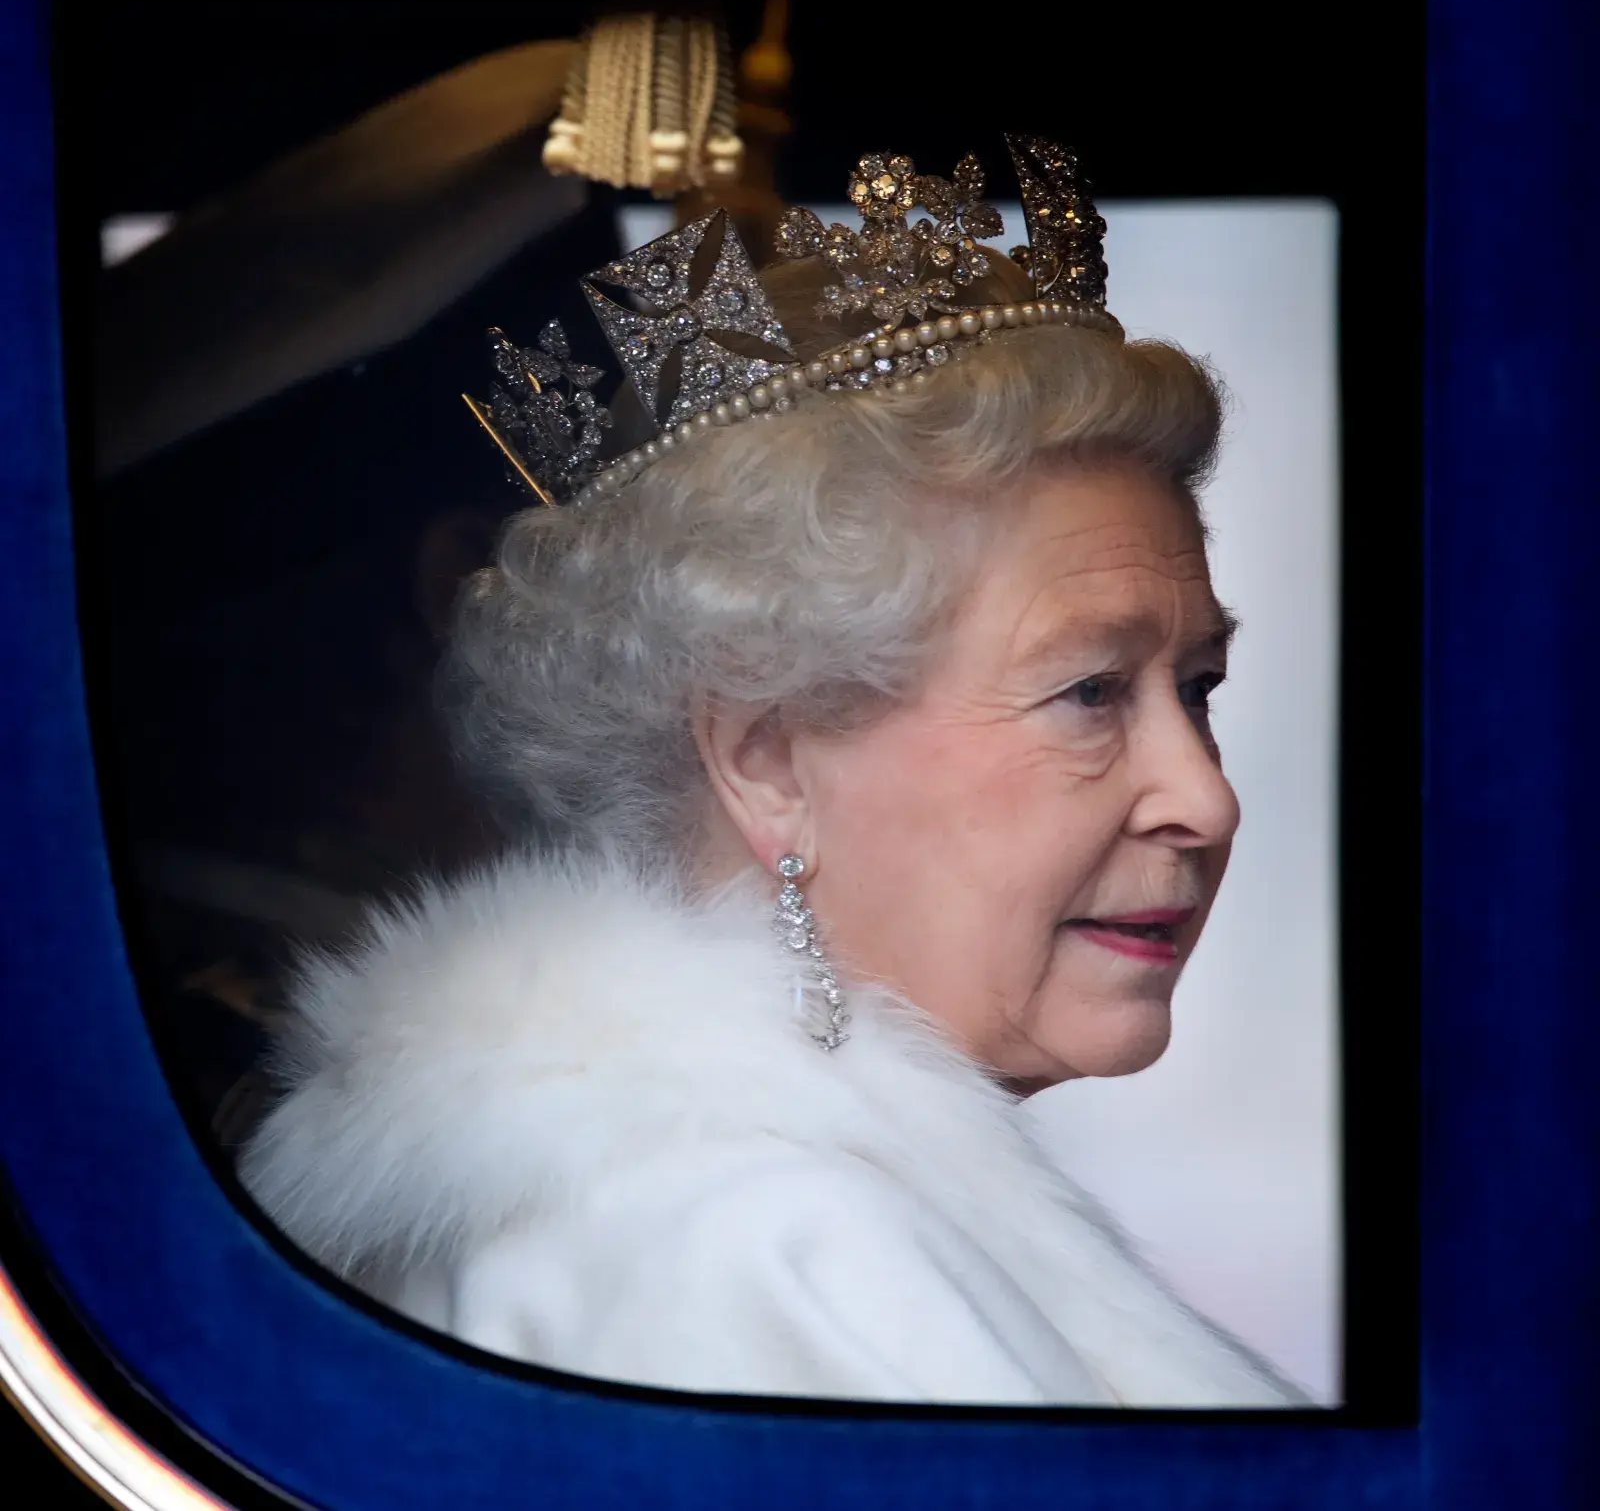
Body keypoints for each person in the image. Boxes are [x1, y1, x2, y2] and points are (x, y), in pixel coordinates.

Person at [240, 138, 1309, 1407]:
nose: (1204, 797)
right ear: (765, 758)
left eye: (1196, 689)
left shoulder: (726, 1200)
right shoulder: (753, 1250)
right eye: (1088, 692)